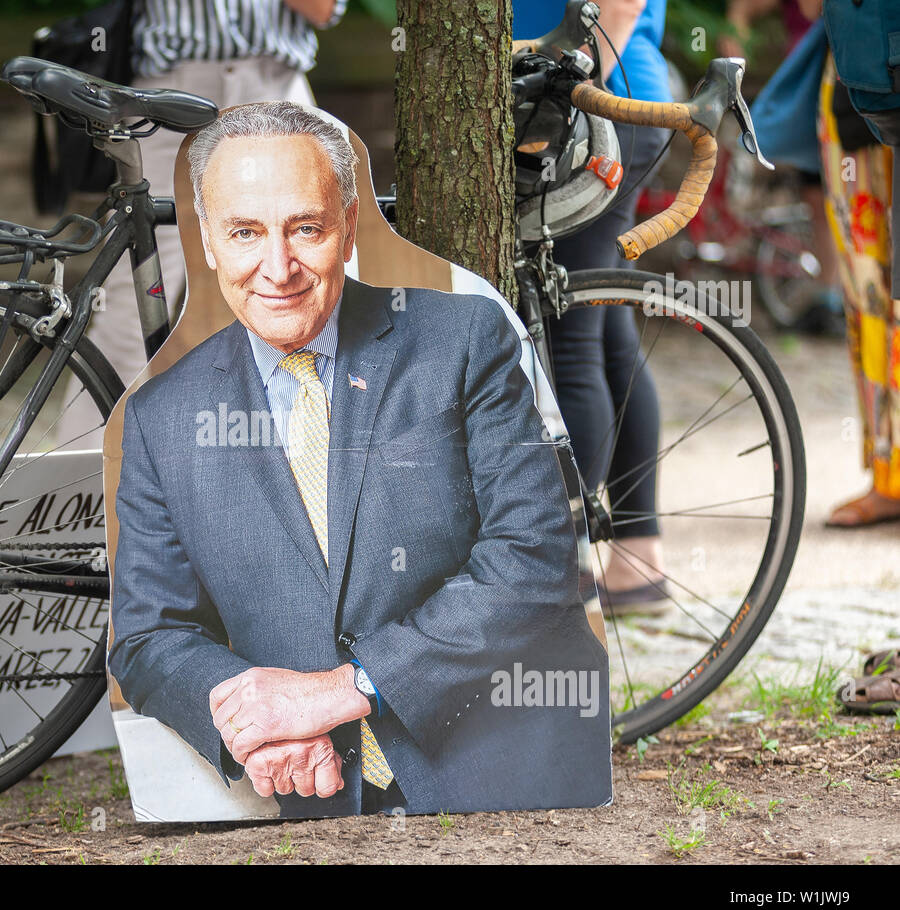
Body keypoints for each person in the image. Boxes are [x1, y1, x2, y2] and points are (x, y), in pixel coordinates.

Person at [108, 102, 610, 817]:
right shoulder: (161, 418)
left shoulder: (465, 338)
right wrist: (255, 721)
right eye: (245, 232)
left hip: (509, 779)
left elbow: (533, 559)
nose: (276, 267)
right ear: (210, 240)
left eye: (304, 228)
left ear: (347, 227)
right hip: (309, 796)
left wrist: (342, 690)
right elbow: (150, 635)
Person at [61, 0, 347, 450]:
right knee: (131, 296)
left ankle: (324, 467)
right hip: (170, 98)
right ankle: (79, 481)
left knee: (321, 289)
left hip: (276, 87)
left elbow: (324, 9)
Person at [513, 0, 673, 614]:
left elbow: (624, 4)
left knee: (572, 339)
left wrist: (564, 94)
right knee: (608, 336)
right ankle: (639, 556)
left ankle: (563, 565)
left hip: (591, 106)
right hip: (608, 97)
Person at [817, 56, 900, 526]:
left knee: (872, 291)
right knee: (873, 292)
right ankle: (890, 472)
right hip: (863, 96)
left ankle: (891, 473)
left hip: (864, 81)